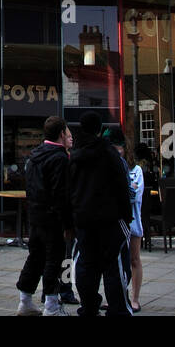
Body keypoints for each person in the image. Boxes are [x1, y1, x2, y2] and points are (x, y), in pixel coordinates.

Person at [67, 111, 133, 317]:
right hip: (110, 219)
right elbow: (122, 186)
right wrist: (126, 216)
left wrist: (71, 218)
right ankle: (118, 308)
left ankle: (88, 306)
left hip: (84, 219)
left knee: (86, 265)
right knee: (112, 265)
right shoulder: (109, 153)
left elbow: (69, 189)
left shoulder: (74, 156)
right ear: (99, 129)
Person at [15, 115, 72, 316]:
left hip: (35, 216)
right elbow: (61, 194)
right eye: (68, 132)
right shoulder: (59, 158)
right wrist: (67, 222)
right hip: (52, 219)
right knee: (53, 260)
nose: (71, 136)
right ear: (61, 134)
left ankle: (25, 300)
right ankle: (51, 305)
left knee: (35, 257)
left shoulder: (34, 155)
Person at [127, 142, 152, 313]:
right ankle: (117, 296)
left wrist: (124, 190)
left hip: (133, 222)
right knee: (116, 263)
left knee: (134, 259)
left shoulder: (136, 171)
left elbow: (133, 196)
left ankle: (135, 299)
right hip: (114, 222)